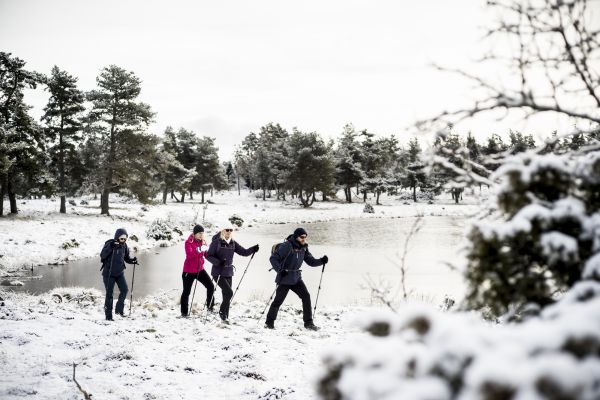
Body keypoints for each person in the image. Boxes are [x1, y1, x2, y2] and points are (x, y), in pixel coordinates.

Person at [265, 227, 328, 331]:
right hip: (285, 277)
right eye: (302, 237)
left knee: (306, 296)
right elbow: (273, 258)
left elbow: (311, 262)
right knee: (278, 301)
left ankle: (308, 323)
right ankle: (269, 323)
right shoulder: (287, 246)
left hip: (296, 278)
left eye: (305, 237)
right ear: (296, 236)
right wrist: (280, 270)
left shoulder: (304, 248)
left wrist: (321, 261)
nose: (304, 239)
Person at [206, 222, 259, 323]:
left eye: (231, 230)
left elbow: (244, 252)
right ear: (222, 230)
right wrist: (218, 262)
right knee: (229, 292)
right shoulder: (216, 242)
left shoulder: (233, 243)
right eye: (227, 230)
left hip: (228, 272)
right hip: (218, 272)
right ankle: (221, 312)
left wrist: (253, 249)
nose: (229, 232)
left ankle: (225, 317)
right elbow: (209, 255)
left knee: (226, 295)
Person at [100, 228, 137, 321]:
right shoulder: (110, 244)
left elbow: (127, 258)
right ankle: (108, 316)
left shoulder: (124, 246)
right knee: (109, 295)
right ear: (117, 237)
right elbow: (102, 255)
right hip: (108, 274)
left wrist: (133, 260)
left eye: (125, 239)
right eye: (122, 239)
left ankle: (119, 310)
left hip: (119, 273)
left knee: (124, 290)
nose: (123, 241)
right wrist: (110, 247)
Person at [180, 224, 212, 317]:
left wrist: (216, 258)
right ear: (194, 234)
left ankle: (210, 308)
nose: (201, 235)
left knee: (210, 286)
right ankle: (184, 313)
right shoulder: (188, 242)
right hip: (188, 272)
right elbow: (189, 255)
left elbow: (207, 255)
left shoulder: (203, 242)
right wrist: (198, 249)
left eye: (202, 233)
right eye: (199, 233)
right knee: (186, 292)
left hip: (200, 270)